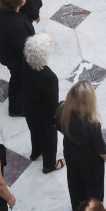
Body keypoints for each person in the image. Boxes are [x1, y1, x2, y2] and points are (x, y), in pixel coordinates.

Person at [56, 80, 106, 211]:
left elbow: (60, 129)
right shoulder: (92, 124)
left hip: (71, 156)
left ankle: (77, 210)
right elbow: (100, 147)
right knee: (94, 188)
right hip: (91, 163)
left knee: (74, 184)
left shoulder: (61, 109)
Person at [23, 33, 63, 174]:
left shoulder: (25, 67)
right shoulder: (49, 78)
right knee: (49, 139)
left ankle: (36, 153)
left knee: (34, 132)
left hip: (29, 110)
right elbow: (52, 105)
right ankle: (49, 165)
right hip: (44, 117)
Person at [0, 0, 35, 116]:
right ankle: (15, 108)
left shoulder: (1, 9)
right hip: (14, 59)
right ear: (17, 4)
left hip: (6, 51)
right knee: (18, 80)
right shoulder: (16, 26)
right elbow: (23, 49)